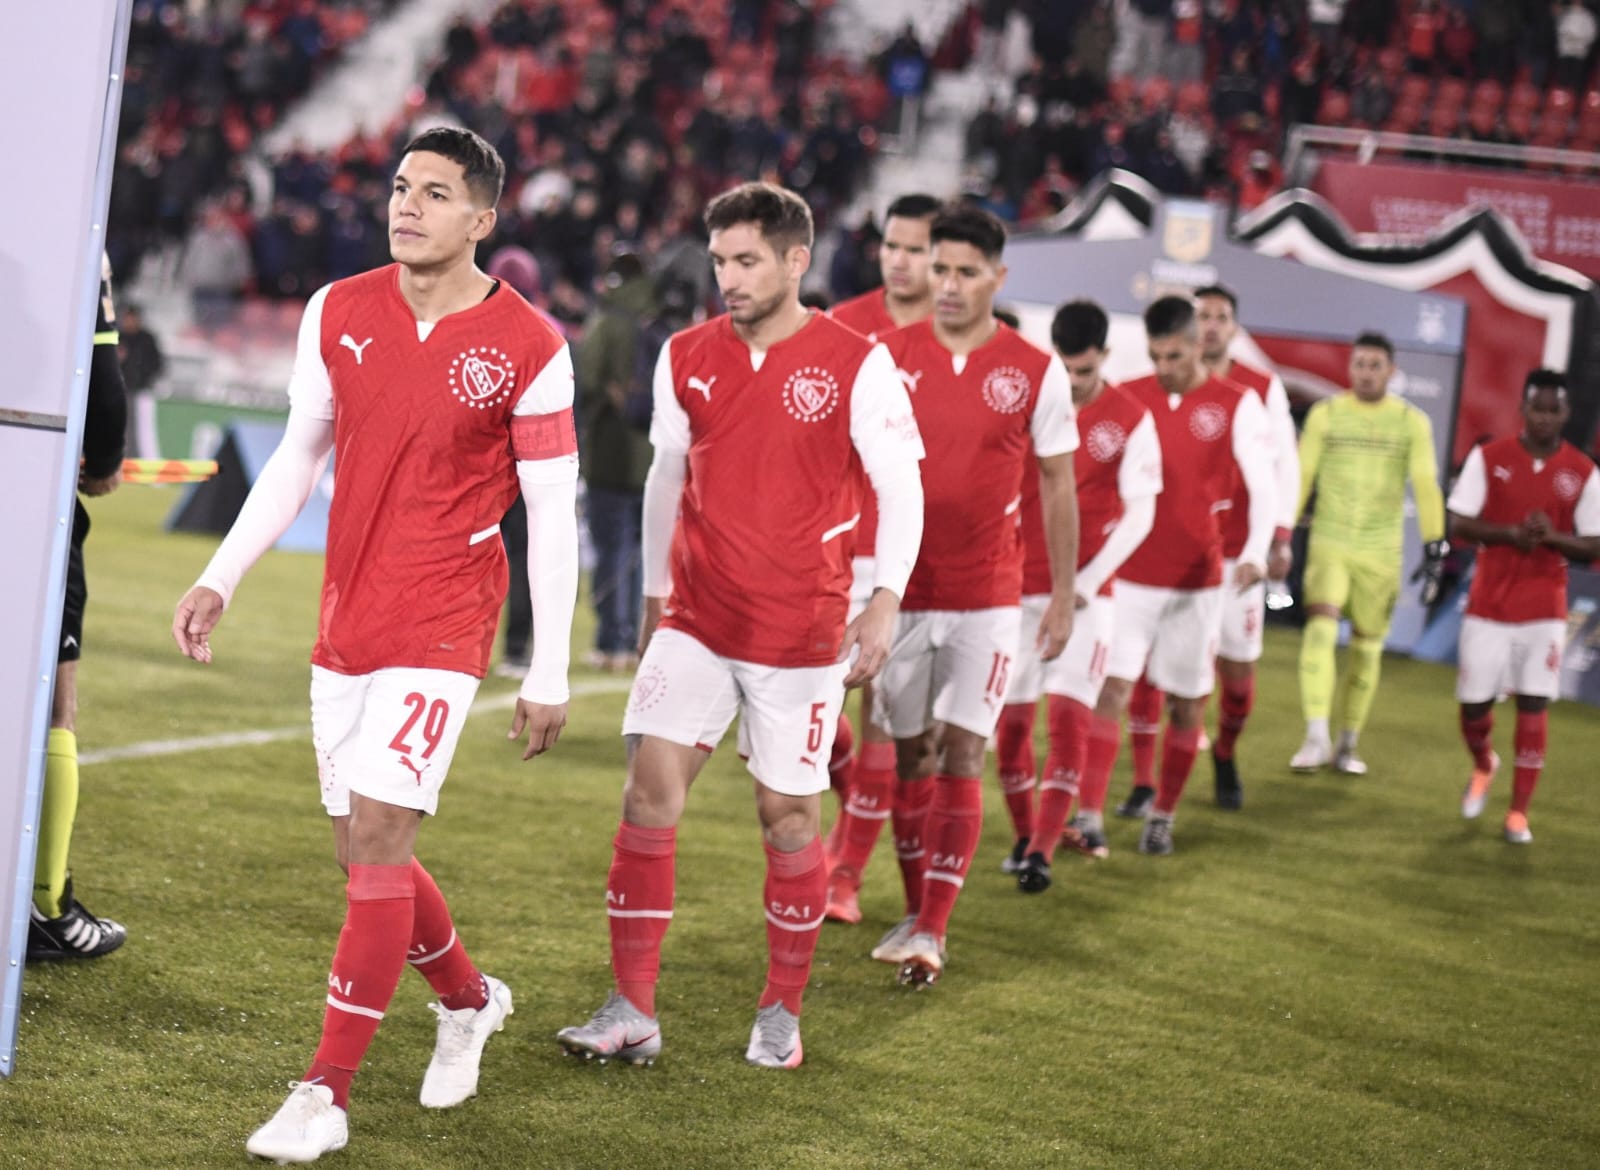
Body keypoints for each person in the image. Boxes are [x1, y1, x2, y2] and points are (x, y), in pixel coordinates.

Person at [171, 128, 580, 1164]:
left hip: (445, 620)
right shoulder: (337, 309)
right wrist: (221, 574)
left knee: (381, 840)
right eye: (401, 188)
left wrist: (550, 667)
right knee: (366, 845)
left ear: (482, 218)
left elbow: (554, 514)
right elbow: (297, 458)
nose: (407, 206)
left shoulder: (531, 345)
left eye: (435, 194)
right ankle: (468, 1000)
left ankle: (323, 1092)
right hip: (347, 615)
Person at [555, 182, 924, 1070]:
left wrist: (884, 598)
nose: (728, 276)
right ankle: (632, 1009)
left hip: (800, 630)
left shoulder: (855, 361)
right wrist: (651, 598)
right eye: (720, 259)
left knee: (788, 817)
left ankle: (781, 1013)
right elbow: (665, 480)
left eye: (747, 259)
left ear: (797, 261)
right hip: (697, 613)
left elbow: (902, 485)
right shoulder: (684, 353)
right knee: (648, 791)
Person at [869, 205, 1080, 985]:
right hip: (903, 591)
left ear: (999, 276)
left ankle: (932, 928)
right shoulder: (886, 356)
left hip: (990, 596)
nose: (947, 284)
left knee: (963, 749)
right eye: (939, 267)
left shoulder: (1034, 368)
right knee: (911, 752)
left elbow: (1058, 485)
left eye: (963, 271)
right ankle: (914, 909)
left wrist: (1061, 595)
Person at [1096, 296, 1274, 856]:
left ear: (1199, 343)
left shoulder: (1238, 403)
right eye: (1155, 356)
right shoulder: (1129, 395)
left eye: (1174, 355)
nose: (1164, 366)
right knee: (1112, 690)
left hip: (1200, 581)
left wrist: (1258, 549)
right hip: (1128, 577)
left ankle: (1163, 815)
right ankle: (1090, 814)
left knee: (1186, 702)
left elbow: (1264, 484)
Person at [1000, 300, 1162, 891]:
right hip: (1014, 594)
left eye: (1083, 375)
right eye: (1064, 372)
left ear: (1104, 359)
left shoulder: (1130, 417)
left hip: (1087, 599)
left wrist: (1085, 584)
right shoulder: (1026, 405)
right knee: (1011, 731)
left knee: (1069, 722)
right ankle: (1024, 838)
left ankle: (1043, 851)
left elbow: (1141, 514)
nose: (1071, 387)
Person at [1128, 286, 1299, 811]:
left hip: (1237, 558)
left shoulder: (1258, 388)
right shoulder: (1154, 385)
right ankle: (1143, 782)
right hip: (1174, 555)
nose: (1210, 325)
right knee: (1149, 669)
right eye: (1202, 316)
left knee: (1238, 670)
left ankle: (1225, 752)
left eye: (1221, 317)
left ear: (1233, 326)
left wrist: (1278, 537)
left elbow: (1283, 466)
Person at [821, 191, 941, 925]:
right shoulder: (844, 326)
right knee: (810, 707)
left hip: (913, 562)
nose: (899, 261)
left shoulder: (956, 337)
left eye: (915, 249)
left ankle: (846, 876)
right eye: (891, 246)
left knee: (892, 726)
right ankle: (850, 834)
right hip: (838, 553)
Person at [27, 253, 130, 963]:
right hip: (33, 491)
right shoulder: (73, 230)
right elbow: (102, 368)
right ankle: (45, 906)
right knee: (53, 707)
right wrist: (107, 455)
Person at [1450, 370, 1600, 844]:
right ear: (1523, 407)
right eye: (1538, 407)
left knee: (1535, 703)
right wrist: (1511, 534)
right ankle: (1483, 763)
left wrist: (1550, 538)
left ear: (1566, 414)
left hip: (1545, 608)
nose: (1545, 418)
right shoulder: (1489, 458)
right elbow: (1460, 521)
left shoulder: (1583, 471)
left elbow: (1593, 544)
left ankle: (1518, 812)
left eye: (1554, 410)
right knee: (1473, 705)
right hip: (1489, 603)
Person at [1290, 332, 1446, 775]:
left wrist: (1435, 546)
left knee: (1367, 650)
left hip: (1381, 550)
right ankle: (1315, 735)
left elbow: (1426, 483)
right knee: (1319, 631)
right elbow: (1303, 475)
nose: (1366, 372)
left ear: (1392, 371)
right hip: (1330, 541)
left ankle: (1347, 743)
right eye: (1360, 364)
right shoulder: (1327, 414)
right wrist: (1283, 532)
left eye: (1376, 365)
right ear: (1350, 368)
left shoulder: (1411, 421)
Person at [574, 251, 658, 672]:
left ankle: (612, 642)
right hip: (656, 459)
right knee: (643, 553)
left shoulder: (609, 322)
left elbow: (585, 377)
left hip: (612, 454)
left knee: (611, 549)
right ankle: (639, 639)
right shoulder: (664, 320)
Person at [117, 301, 164, 460]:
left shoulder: (147, 339)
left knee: (145, 430)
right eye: (126, 318)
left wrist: (145, 380)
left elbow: (157, 364)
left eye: (131, 317)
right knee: (120, 430)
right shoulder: (119, 337)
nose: (128, 321)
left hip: (142, 392)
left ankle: (150, 466)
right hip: (121, 391)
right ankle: (121, 464)